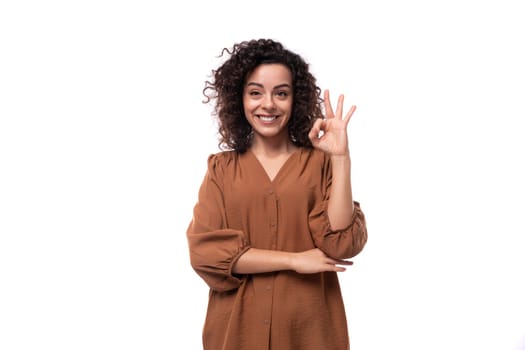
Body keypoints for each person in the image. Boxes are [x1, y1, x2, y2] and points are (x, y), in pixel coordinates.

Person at [186, 38, 368, 350]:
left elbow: (341, 240)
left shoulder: (318, 164)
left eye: (280, 93)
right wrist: (295, 261)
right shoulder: (221, 169)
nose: (268, 104)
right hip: (238, 331)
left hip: (310, 331)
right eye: (255, 92)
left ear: (294, 99)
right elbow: (207, 253)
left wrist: (340, 158)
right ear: (239, 99)